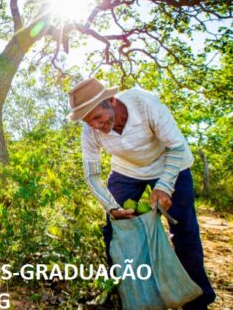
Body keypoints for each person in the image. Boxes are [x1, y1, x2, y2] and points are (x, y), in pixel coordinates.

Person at [68, 78, 216, 309]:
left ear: (112, 101)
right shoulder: (90, 130)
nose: (95, 125)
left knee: (184, 231)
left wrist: (165, 185)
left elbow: (176, 147)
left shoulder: (145, 103)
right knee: (115, 229)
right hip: (127, 171)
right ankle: (121, 293)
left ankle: (198, 301)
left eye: (98, 117)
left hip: (171, 163)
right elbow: (91, 175)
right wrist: (111, 206)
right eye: (89, 121)